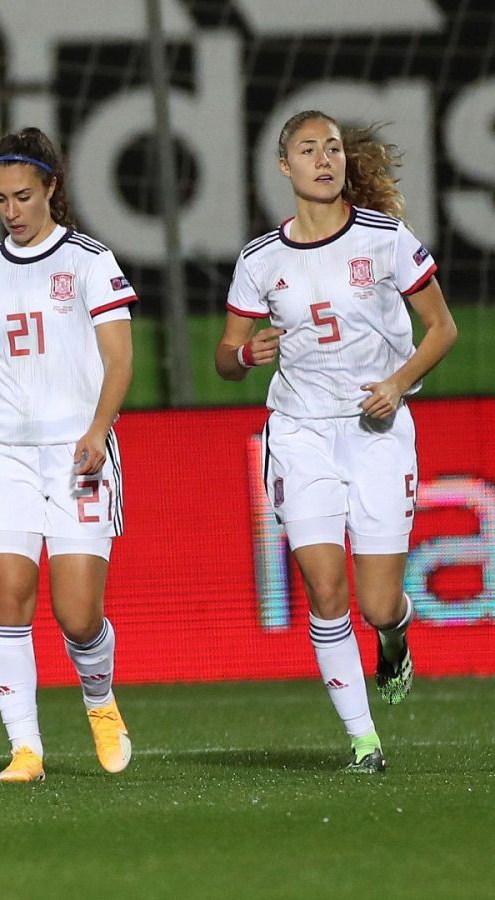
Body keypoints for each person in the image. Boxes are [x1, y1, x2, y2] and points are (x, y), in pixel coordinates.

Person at [215, 110, 456, 773]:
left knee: (377, 603)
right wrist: (247, 353)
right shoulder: (261, 258)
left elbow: (442, 329)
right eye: (307, 150)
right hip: (298, 434)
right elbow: (226, 356)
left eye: (332, 150)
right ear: (283, 166)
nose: (324, 160)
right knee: (325, 591)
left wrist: (400, 382)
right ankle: (364, 742)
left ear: (345, 162)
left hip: (376, 432)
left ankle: (396, 637)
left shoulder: (385, 239)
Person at [0, 128, 137, 784]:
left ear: (52, 187)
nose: (12, 210)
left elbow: (119, 358)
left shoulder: (89, 262)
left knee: (77, 615)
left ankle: (100, 700)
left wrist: (97, 429)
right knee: (7, 594)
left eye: (23, 195)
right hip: (3, 456)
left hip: (77, 454)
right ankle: (26, 749)